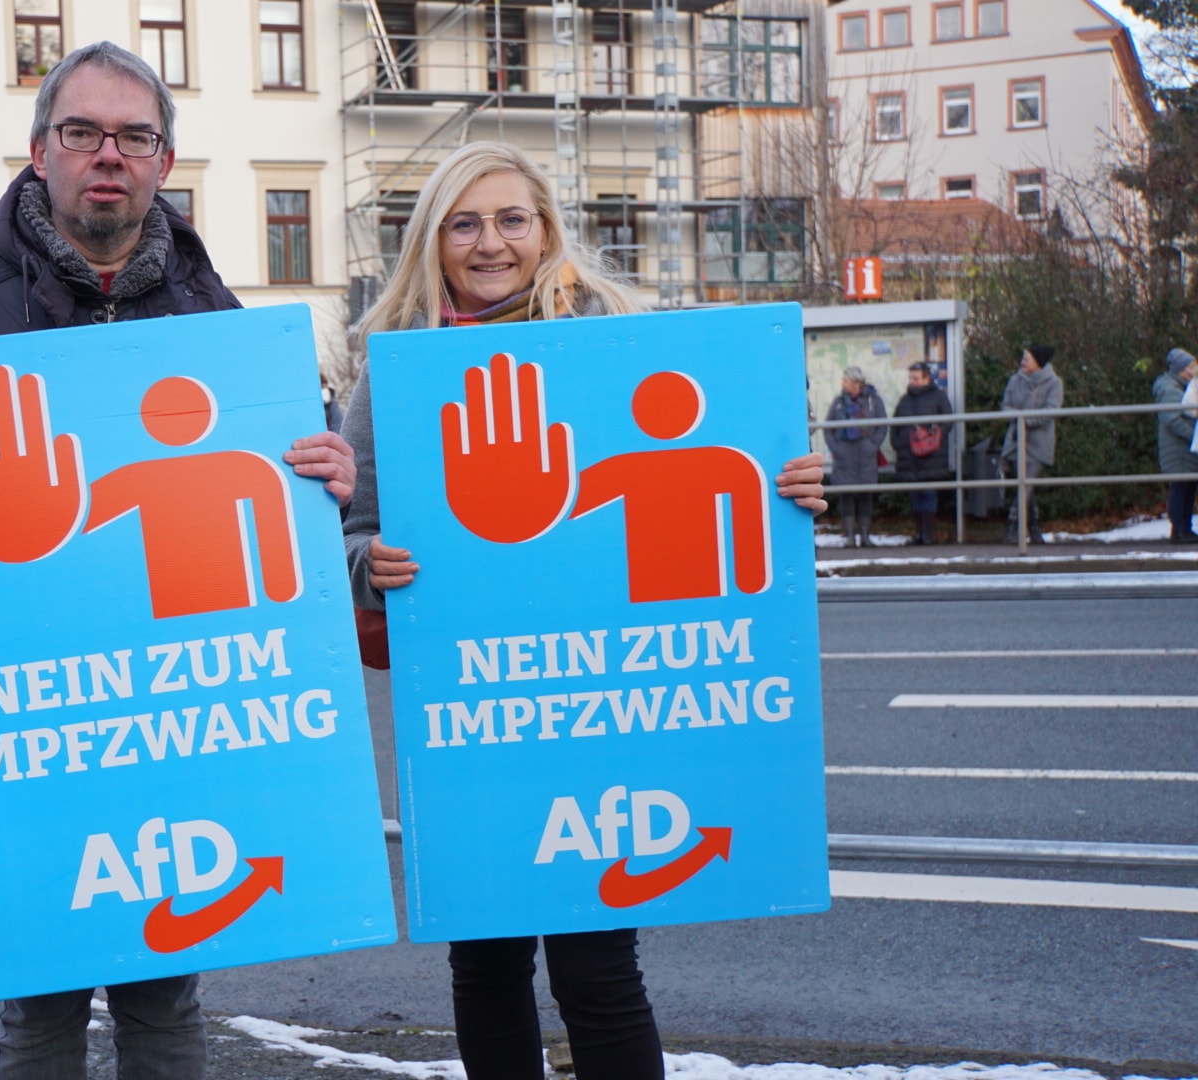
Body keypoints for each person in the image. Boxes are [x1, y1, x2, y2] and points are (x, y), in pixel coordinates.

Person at [0, 42, 353, 1080]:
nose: (108, 154)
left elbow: (283, 563)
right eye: (82, 132)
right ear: (39, 153)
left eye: (133, 137)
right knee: (36, 1006)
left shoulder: (216, 324)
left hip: (172, 729)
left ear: (163, 162)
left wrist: (323, 484)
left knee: (166, 998)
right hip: (17, 736)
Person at [339, 140, 827, 1080]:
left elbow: (741, 463)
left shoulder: (615, 341)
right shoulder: (396, 370)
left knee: (598, 967)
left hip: (594, 710)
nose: (490, 242)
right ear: (432, 240)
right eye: (464, 223)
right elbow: (352, 532)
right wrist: (372, 563)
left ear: (548, 230)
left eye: (511, 219)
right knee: (486, 961)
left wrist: (795, 486)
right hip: (475, 711)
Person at [999, 344, 1063, 544]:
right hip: (1015, 441)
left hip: (1038, 443)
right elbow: (1005, 406)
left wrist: (1024, 419)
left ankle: (1012, 526)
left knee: (1025, 484)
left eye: (1027, 359)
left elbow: (1051, 410)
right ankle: (1034, 529)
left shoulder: (1054, 383)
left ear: (1038, 362)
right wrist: (1019, 419)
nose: (1022, 362)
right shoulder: (1015, 380)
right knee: (1026, 485)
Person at [890, 362, 954, 545]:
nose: (911, 381)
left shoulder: (938, 397)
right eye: (910, 377)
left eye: (915, 378)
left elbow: (947, 421)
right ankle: (919, 533)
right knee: (915, 496)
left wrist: (933, 438)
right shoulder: (905, 400)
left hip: (931, 457)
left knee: (928, 494)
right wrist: (898, 444)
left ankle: (927, 534)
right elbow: (895, 426)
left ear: (927, 378)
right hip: (909, 457)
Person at [824, 366, 886, 547]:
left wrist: (872, 445)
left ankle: (865, 535)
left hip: (866, 456)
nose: (842, 383)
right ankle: (850, 536)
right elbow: (828, 428)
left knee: (866, 495)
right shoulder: (838, 403)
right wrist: (836, 448)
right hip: (844, 456)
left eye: (846, 380)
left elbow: (883, 425)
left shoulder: (873, 401)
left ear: (856, 383)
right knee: (846, 496)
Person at [1154, 347, 1198, 543]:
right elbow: (1172, 419)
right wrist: (1194, 436)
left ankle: (1185, 528)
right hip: (1178, 449)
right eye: (1189, 367)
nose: (1192, 371)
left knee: (1188, 487)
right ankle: (1179, 529)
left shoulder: (1184, 387)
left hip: (1186, 449)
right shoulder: (1170, 388)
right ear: (1179, 369)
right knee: (1181, 488)